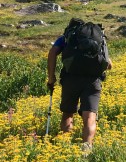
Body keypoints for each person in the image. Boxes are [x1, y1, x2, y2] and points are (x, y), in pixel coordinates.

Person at [47, 19, 112, 152]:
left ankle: (65, 146)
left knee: (68, 114)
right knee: (90, 116)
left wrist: (51, 77)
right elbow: (109, 64)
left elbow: (52, 52)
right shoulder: (99, 38)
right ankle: (86, 148)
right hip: (93, 81)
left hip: (70, 79)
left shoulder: (67, 37)